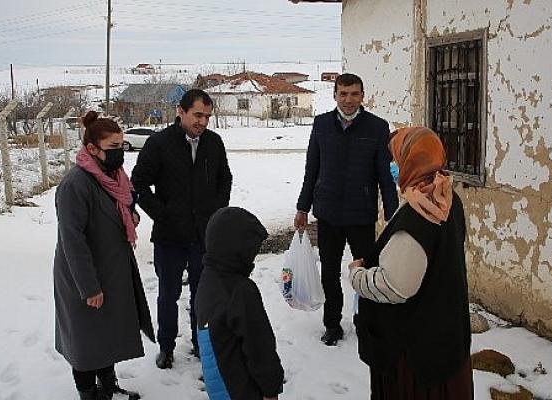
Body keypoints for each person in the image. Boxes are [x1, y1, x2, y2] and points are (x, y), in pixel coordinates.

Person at [348, 127, 473, 399]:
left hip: (416, 349)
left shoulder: (419, 216)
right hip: (443, 333)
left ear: (412, 161)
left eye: (397, 159)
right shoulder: (446, 198)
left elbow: (396, 286)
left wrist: (357, 275)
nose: (392, 166)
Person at [53, 111, 155, 400]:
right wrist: (89, 287)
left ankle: (108, 386)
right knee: (86, 343)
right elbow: (73, 241)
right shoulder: (75, 185)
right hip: (83, 277)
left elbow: (120, 208)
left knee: (106, 335)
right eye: (113, 148)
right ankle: (89, 394)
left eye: (121, 146)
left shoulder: (113, 177)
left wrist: (130, 215)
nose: (119, 153)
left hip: (111, 270)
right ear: (92, 149)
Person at [294, 73, 399, 346]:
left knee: (367, 270)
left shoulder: (377, 127)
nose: (348, 99)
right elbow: (311, 169)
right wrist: (302, 207)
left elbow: (385, 175)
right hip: (328, 213)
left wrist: (392, 213)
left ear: (363, 95)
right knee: (329, 272)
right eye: (343, 94)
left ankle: (367, 322)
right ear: (335, 95)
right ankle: (332, 325)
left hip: (361, 214)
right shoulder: (321, 125)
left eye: (354, 94)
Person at [131, 89, 233, 369]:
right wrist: (161, 214)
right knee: (168, 295)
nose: (203, 121)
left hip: (203, 236)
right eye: (198, 114)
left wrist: (216, 212)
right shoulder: (159, 142)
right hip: (170, 237)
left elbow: (225, 178)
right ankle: (166, 346)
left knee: (203, 295)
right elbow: (138, 182)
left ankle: (202, 344)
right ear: (181, 111)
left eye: (208, 117)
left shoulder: (213, 142)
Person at [195, 207, 284, 400]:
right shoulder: (240, 291)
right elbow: (259, 346)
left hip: (220, 383)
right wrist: (270, 389)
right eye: (251, 249)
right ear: (237, 248)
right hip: (241, 389)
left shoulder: (208, 279)